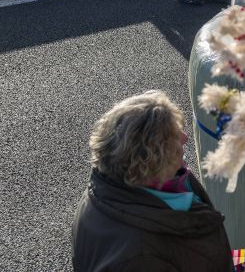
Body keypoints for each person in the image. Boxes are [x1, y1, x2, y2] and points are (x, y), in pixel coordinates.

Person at [71, 90, 231, 271]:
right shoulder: (140, 257)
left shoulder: (103, 190)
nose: (185, 138)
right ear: (150, 158)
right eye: (173, 136)